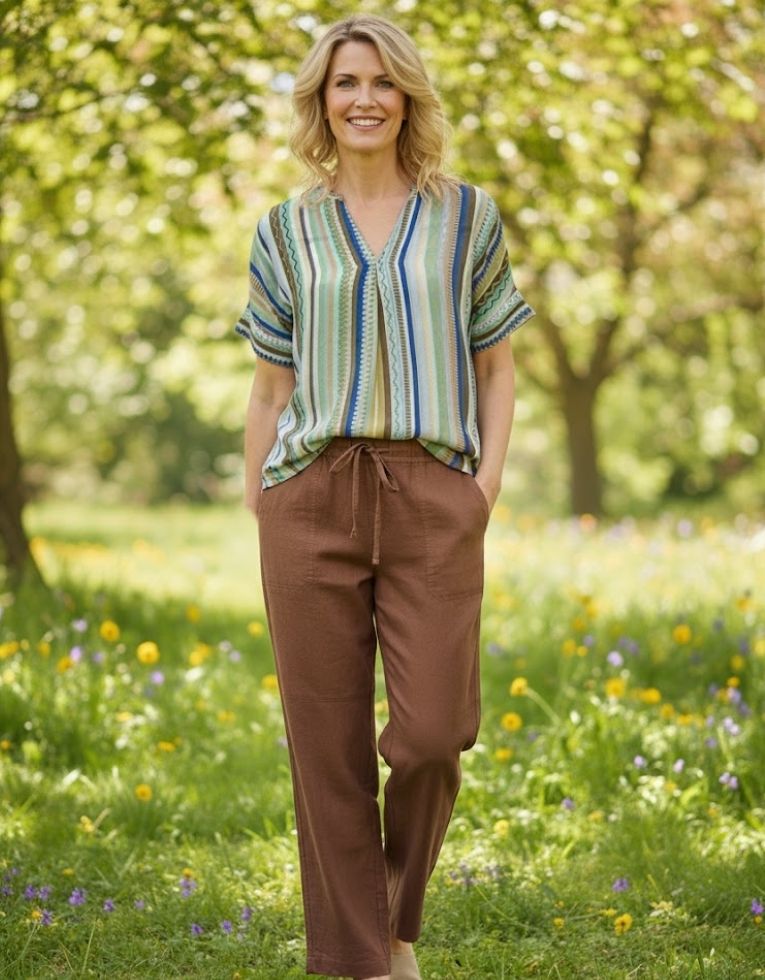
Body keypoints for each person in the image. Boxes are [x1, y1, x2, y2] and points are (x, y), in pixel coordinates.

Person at [235, 14, 535, 979]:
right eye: (342, 84)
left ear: (407, 96)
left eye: (379, 82)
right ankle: (364, 960)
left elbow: (497, 366)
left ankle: (393, 919)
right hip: (310, 493)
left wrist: (479, 487)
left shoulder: (465, 217)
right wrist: (262, 502)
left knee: (434, 734)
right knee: (323, 746)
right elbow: (269, 386)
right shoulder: (286, 229)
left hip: (430, 490)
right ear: (320, 102)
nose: (362, 98)